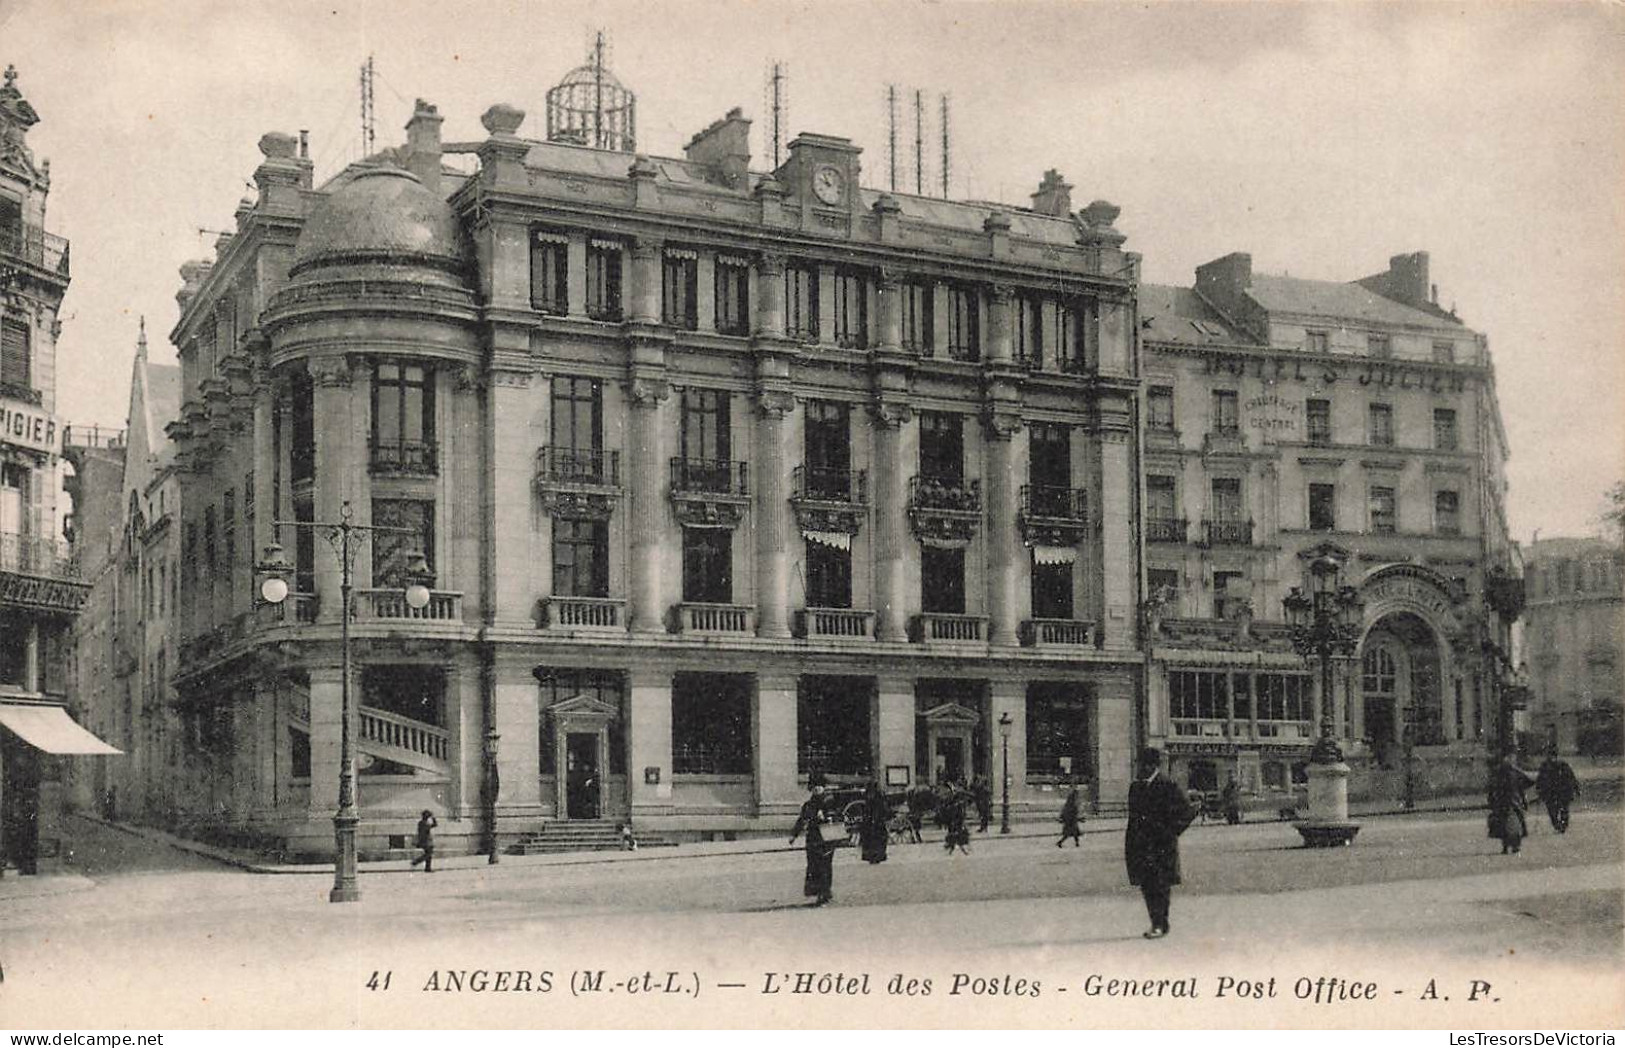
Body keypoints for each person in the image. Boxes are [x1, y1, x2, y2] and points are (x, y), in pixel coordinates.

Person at [1125, 747, 1196, 939]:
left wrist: (1171, 832)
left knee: (1161, 885)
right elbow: (1132, 820)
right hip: (1141, 846)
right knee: (1147, 885)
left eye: (1142, 765)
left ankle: (1160, 925)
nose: (1139, 768)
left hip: (1161, 846)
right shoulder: (1136, 787)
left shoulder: (1167, 785)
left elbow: (1187, 811)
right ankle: (1155, 922)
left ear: (1152, 765)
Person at [789, 780, 835, 905]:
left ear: (824, 788)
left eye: (819, 786)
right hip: (813, 839)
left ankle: (824, 893)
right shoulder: (808, 805)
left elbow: (840, 817)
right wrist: (794, 835)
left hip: (826, 839)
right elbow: (801, 820)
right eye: (815, 787)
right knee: (813, 866)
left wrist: (827, 818)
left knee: (825, 866)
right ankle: (817, 891)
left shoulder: (830, 803)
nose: (817, 789)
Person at [1489, 753, 1537, 855]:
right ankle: (1512, 846)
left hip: (1506, 802)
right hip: (1512, 802)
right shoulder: (1513, 773)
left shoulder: (1501, 773)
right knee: (1512, 825)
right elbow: (1529, 781)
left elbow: (1491, 788)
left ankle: (1508, 846)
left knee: (1508, 825)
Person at [1535, 754, 1580, 834]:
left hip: (1563, 792)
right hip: (1551, 793)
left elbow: (1571, 778)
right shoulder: (1545, 767)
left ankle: (1563, 826)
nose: (1553, 759)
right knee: (1553, 811)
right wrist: (1539, 790)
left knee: (1564, 810)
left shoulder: (1563, 766)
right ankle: (1557, 825)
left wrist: (1576, 789)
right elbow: (1540, 780)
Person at [858, 781, 890, 864]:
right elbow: (879, 809)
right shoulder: (877, 795)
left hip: (869, 821)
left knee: (869, 839)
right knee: (878, 838)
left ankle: (870, 856)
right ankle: (877, 856)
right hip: (876, 821)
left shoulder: (868, 795)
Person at [941, 783, 971, 855]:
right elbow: (958, 815)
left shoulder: (956, 805)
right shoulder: (957, 806)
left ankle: (954, 850)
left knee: (956, 837)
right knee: (958, 837)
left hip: (956, 823)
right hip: (957, 823)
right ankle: (962, 850)